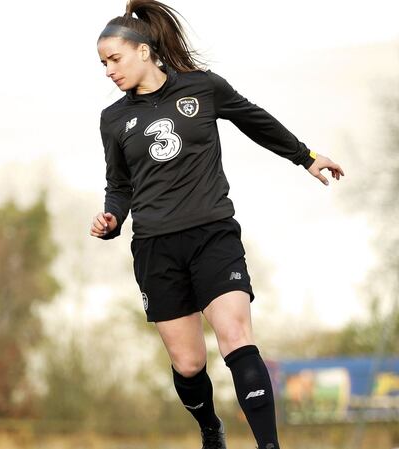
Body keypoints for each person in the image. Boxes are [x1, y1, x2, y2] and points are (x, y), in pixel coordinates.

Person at [89, 2, 344, 448]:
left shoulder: (203, 88)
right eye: (103, 64)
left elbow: (254, 120)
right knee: (188, 364)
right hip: (155, 248)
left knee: (235, 335)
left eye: (115, 59)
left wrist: (305, 156)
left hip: (212, 234)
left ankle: (269, 445)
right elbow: (119, 185)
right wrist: (112, 219)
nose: (108, 70)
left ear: (144, 51)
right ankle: (211, 430)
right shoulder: (113, 119)